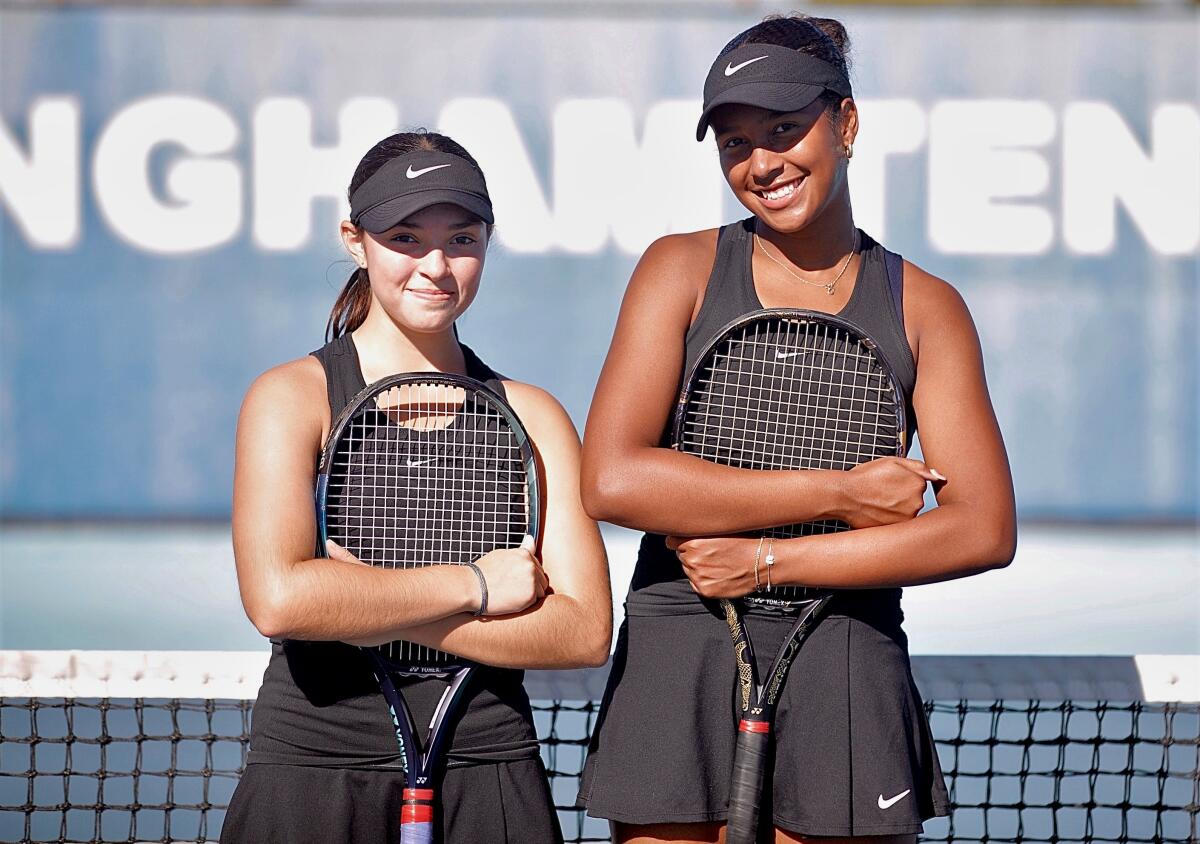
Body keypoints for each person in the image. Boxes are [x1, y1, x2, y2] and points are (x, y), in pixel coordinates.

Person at [576, 15, 1016, 844]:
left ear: (846, 125)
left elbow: (983, 529)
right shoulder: (677, 269)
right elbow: (613, 479)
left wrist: (770, 560)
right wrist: (842, 492)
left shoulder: (928, 308)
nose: (762, 163)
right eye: (736, 142)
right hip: (682, 642)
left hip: (848, 653)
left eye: (784, 130)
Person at [225, 130, 612, 843]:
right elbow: (280, 600)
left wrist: (362, 600)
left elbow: (585, 631)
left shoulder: (534, 416)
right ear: (355, 239)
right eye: (405, 237)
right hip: (312, 768)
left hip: (488, 766)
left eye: (460, 238)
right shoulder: (290, 398)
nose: (435, 266)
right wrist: (475, 584)